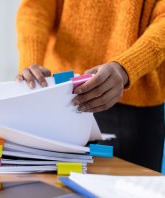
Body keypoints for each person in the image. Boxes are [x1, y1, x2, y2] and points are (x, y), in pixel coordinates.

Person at [15, 0, 165, 172]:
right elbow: (36, 6)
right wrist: (31, 63)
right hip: (59, 96)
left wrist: (126, 67)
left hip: (134, 103)